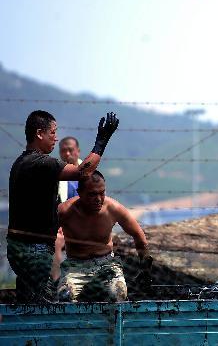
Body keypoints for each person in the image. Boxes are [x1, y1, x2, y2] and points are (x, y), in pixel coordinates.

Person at [7, 110, 119, 303]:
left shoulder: (22, 162)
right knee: (43, 305)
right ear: (39, 133)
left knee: (28, 300)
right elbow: (83, 172)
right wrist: (101, 141)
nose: (55, 138)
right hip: (34, 249)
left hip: (21, 246)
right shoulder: (39, 163)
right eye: (52, 132)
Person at [57, 171, 151, 302]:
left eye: (102, 193)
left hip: (107, 264)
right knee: (65, 296)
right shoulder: (64, 211)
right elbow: (44, 237)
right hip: (75, 267)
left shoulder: (113, 208)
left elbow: (138, 234)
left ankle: (114, 322)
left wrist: (145, 266)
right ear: (80, 193)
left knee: (118, 294)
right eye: (92, 194)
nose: (98, 199)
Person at [58, 136, 82, 202]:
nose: (67, 154)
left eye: (70, 150)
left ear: (78, 151)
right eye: (63, 150)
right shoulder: (54, 174)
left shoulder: (89, 172)